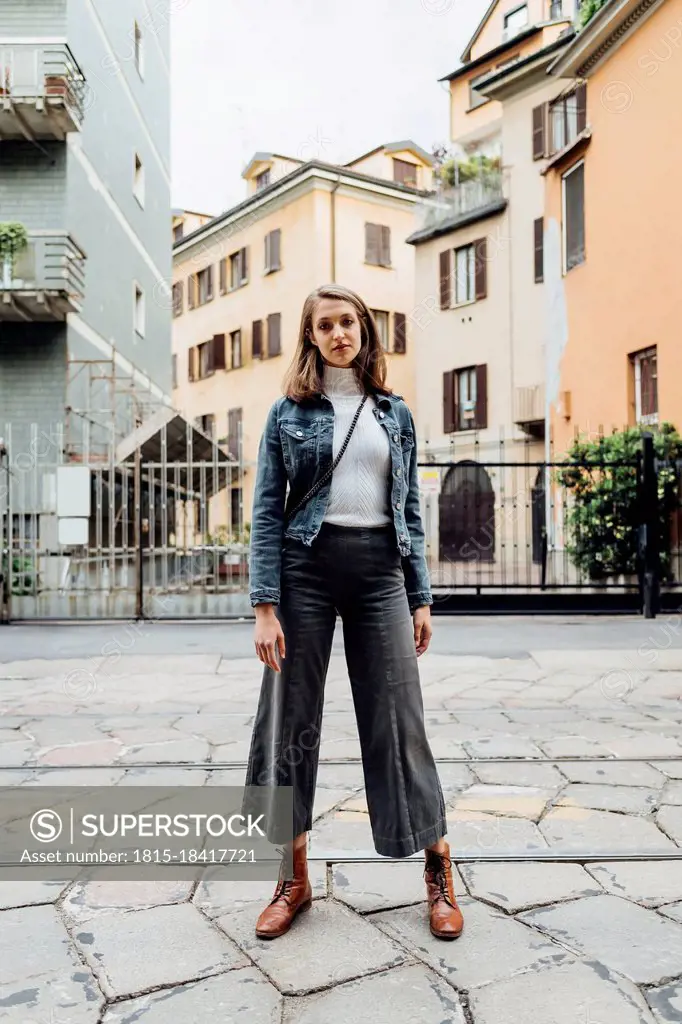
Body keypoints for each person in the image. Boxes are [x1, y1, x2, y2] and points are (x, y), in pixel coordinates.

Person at [244, 284, 463, 942]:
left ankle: (437, 866)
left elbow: (411, 513)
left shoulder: (395, 413)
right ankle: (294, 877)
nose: (339, 333)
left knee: (400, 719)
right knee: (289, 720)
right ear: (311, 337)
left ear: (365, 330)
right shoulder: (289, 412)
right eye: (326, 325)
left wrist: (420, 595)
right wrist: (264, 605)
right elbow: (264, 510)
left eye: (349, 322)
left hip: (380, 574)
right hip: (304, 569)